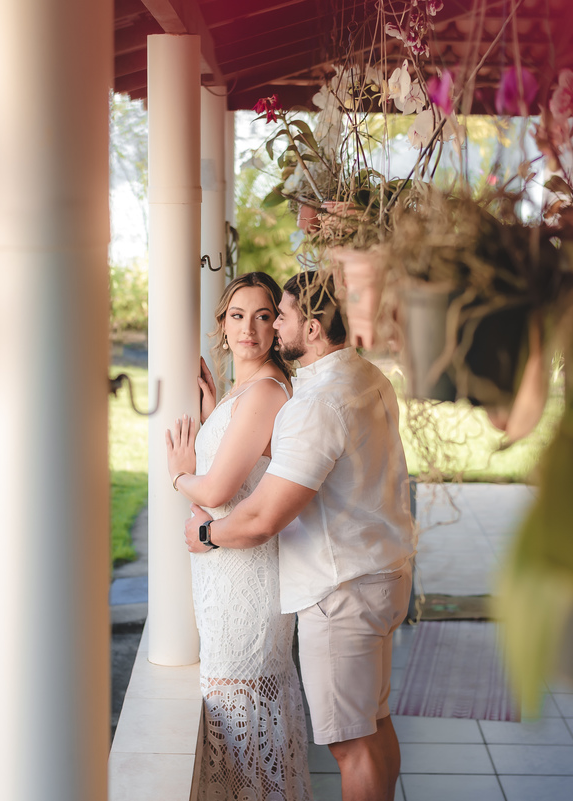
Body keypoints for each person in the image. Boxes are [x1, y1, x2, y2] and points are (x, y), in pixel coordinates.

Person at [184, 271, 415, 801]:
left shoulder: (318, 403)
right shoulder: (366, 376)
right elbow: (297, 459)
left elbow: (264, 517)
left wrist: (209, 533)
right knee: (375, 724)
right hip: (384, 575)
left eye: (279, 316)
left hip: (341, 592)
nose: (272, 328)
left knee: (351, 745)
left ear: (311, 329)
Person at [165, 271, 313, 801]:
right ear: (222, 326)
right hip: (226, 572)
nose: (248, 328)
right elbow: (241, 468)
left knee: (242, 709)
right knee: (239, 711)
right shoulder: (246, 390)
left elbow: (219, 488)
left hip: (245, 581)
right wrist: (212, 416)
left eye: (263, 316)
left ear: (278, 326)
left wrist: (180, 474)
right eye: (237, 315)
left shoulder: (266, 391)